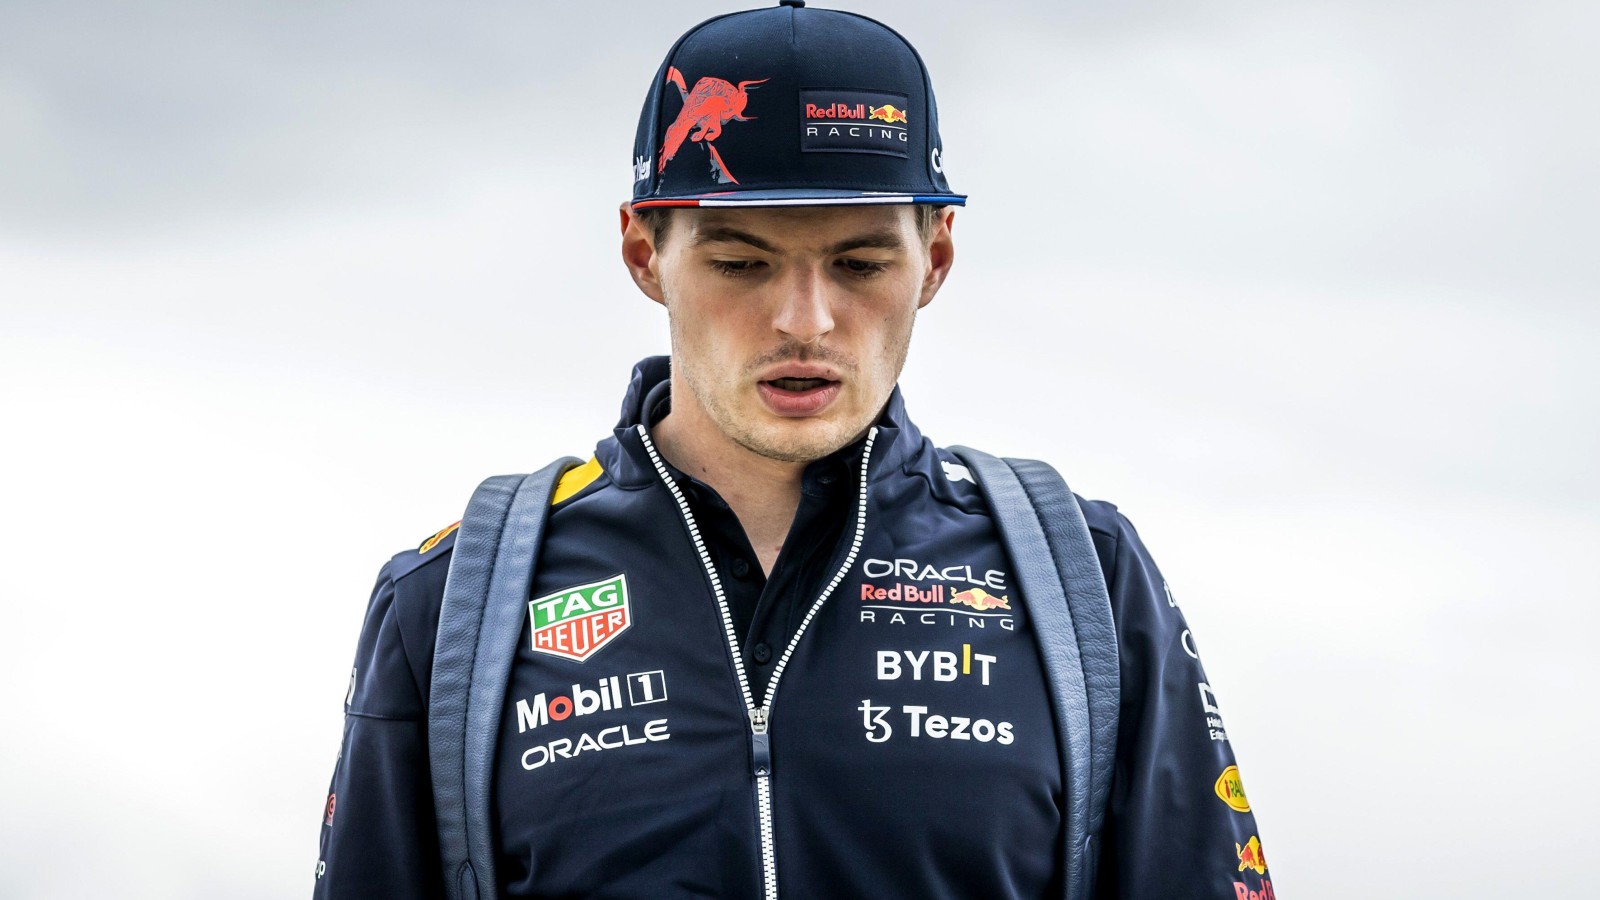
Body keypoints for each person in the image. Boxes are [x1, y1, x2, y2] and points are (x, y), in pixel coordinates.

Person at [313, 3, 1271, 899]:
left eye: (860, 264)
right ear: (644, 254)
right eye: (740, 263)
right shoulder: (453, 608)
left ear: (936, 258)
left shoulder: (1084, 582)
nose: (803, 321)